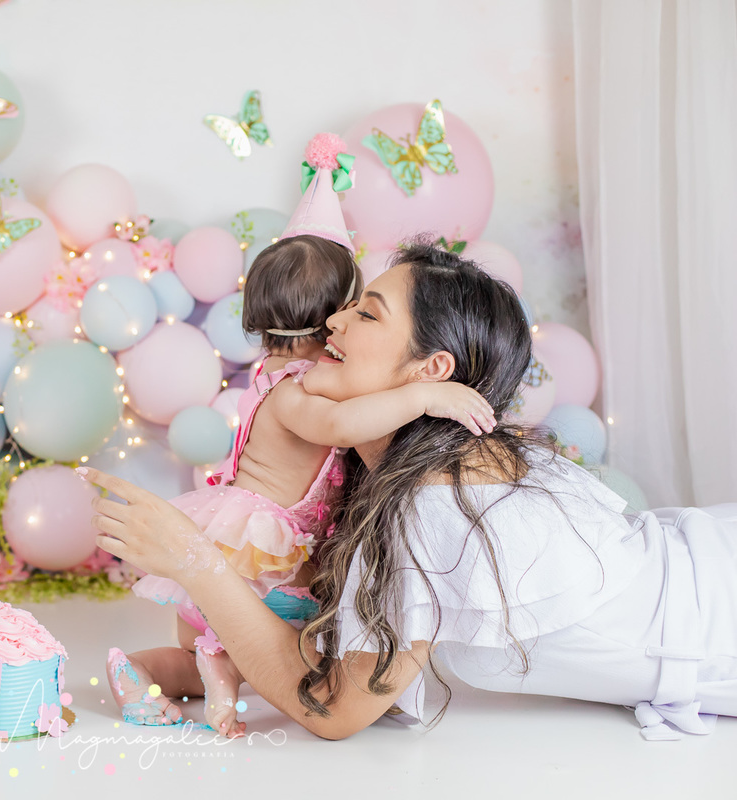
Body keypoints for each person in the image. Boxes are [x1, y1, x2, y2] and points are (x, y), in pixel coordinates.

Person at [86, 240, 737, 742]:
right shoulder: (412, 475)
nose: (333, 321)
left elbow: (333, 708)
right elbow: (320, 652)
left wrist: (195, 560)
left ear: (431, 371)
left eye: (366, 312)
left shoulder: (435, 503)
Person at [108, 232, 497, 737]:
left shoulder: (276, 373)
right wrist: (423, 397)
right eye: (354, 307)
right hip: (261, 543)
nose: (345, 321)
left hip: (243, 538)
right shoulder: (299, 384)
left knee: (230, 648)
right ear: (329, 316)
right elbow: (343, 424)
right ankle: (217, 670)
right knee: (285, 649)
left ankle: (140, 670)